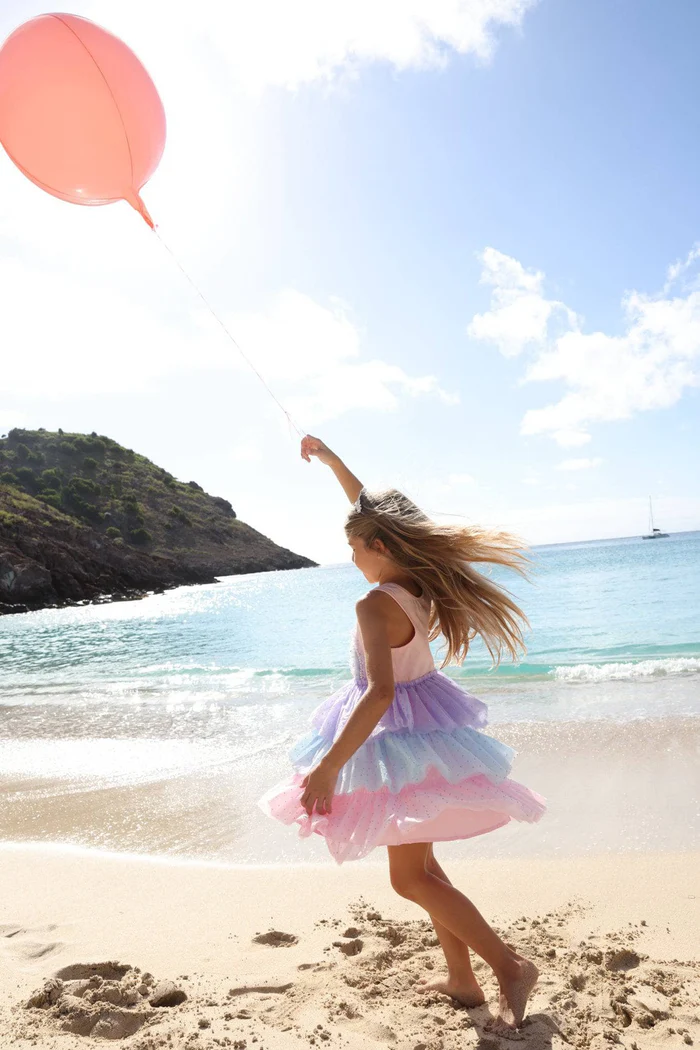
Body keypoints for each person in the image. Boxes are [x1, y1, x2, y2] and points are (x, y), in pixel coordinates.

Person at [257, 435, 546, 1028]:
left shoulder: (372, 604)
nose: (352, 557)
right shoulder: (418, 581)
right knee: (426, 868)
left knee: (408, 877)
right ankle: (463, 980)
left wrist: (329, 765)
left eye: (354, 547)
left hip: (389, 740)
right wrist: (335, 465)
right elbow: (375, 514)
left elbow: (380, 692)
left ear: (381, 545)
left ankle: (509, 966)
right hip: (426, 737)